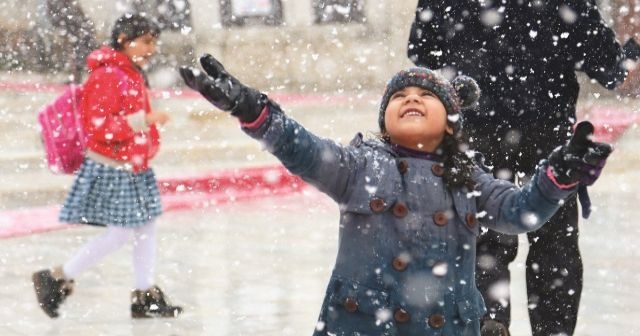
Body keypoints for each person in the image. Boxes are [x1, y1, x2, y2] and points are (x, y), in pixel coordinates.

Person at [178, 55, 611, 335]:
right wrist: (251, 108)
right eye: (399, 96)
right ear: (385, 120)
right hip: (364, 325)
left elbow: (520, 212)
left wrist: (557, 177)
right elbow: (301, 148)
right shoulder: (359, 166)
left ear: (450, 122)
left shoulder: (469, 177)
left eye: (426, 95)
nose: (411, 99)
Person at [407, 1, 640, 335]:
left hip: (475, 131)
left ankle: (488, 320)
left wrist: (469, 68)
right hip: (548, 134)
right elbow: (610, 69)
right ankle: (552, 330)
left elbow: (422, 51)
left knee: (481, 238)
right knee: (554, 246)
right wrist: (632, 47)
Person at [32, 13, 182, 319]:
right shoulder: (107, 75)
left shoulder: (130, 74)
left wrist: (147, 140)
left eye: (154, 42)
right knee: (120, 234)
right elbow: (99, 128)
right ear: (125, 41)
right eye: (145, 41)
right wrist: (146, 122)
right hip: (114, 167)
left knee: (145, 228)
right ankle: (57, 277)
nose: (151, 49)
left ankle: (144, 294)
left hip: (135, 166)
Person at [45, 0, 99, 82]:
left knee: (81, 55)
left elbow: (67, 19)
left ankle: (83, 78)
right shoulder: (57, 5)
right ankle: (78, 78)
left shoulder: (61, 5)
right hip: (78, 30)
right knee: (79, 55)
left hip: (80, 31)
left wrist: (67, 33)